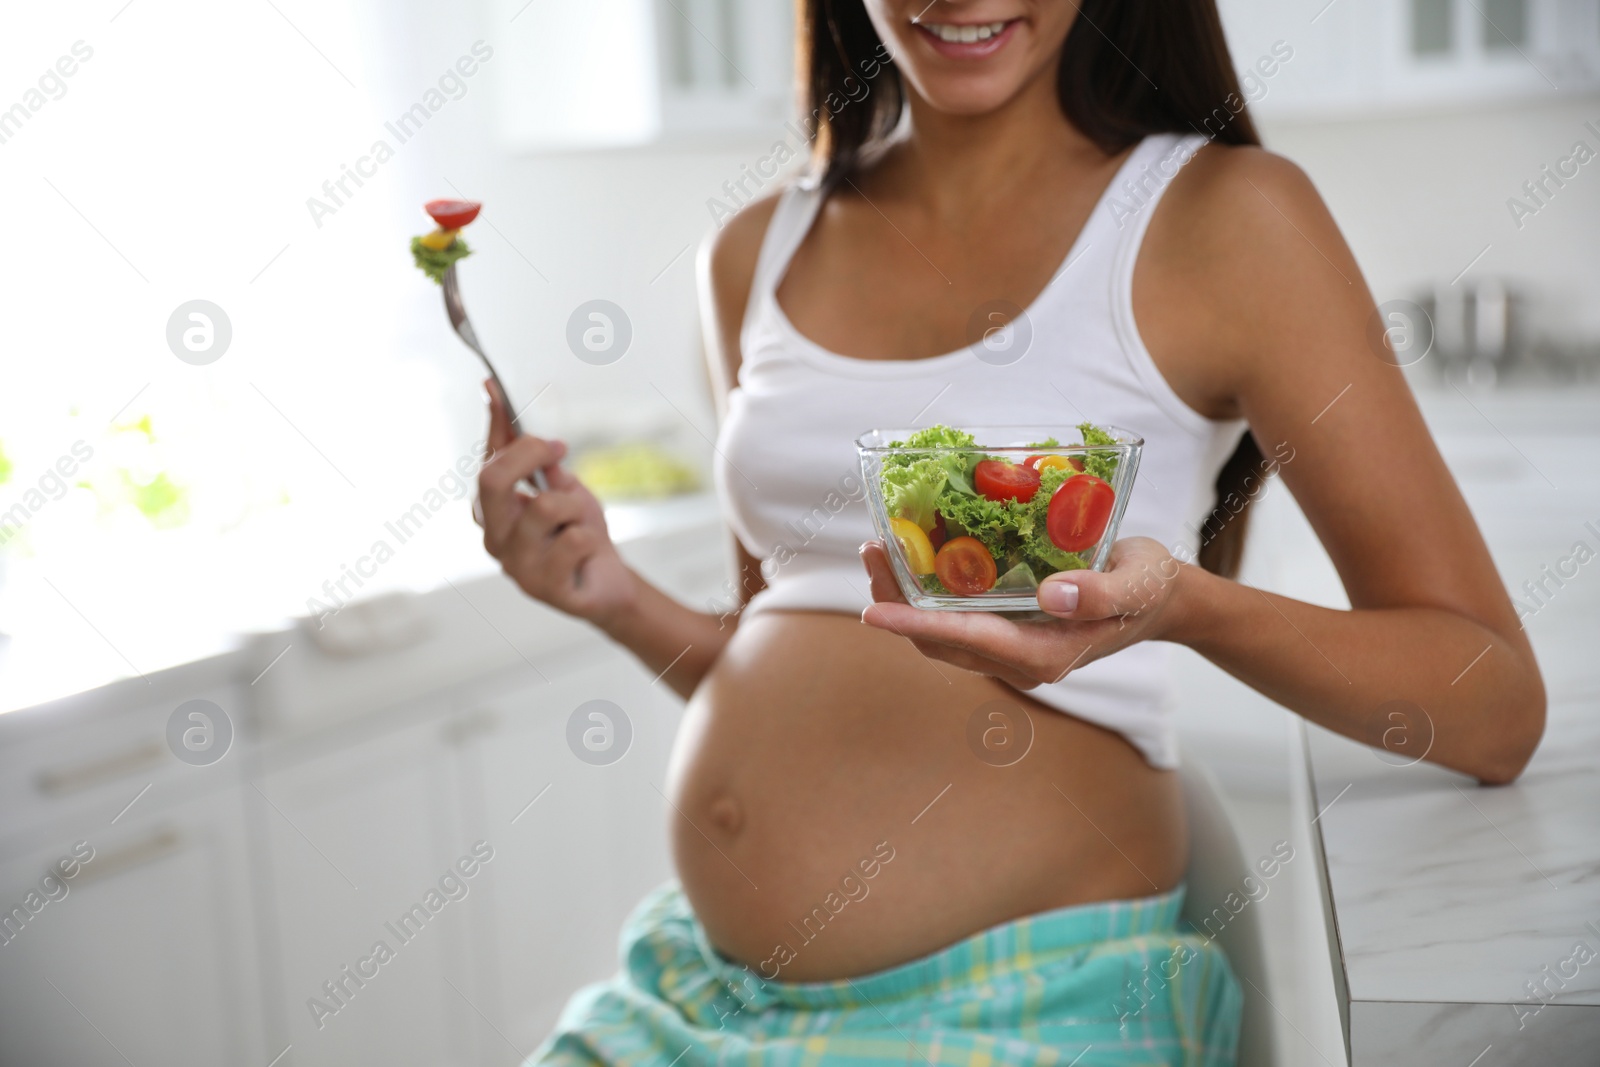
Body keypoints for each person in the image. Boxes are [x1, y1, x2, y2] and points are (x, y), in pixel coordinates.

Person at [476, 1, 1545, 1063]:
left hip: (1025, 1007)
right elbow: (784, 642)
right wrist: (608, 592)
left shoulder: (1227, 219)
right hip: (696, 999)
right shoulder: (753, 250)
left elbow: (1494, 707)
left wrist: (1184, 606)